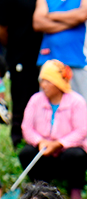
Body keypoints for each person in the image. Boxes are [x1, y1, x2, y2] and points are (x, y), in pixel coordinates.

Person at [20, 60, 87, 199]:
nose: (43, 85)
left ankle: (75, 190)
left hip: (66, 152)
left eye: (48, 81)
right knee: (26, 153)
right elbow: (26, 128)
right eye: (42, 81)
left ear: (58, 83)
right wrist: (40, 142)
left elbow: (81, 131)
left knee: (76, 155)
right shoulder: (35, 100)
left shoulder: (77, 102)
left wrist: (59, 143)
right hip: (43, 150)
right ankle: (41, 189)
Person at [33, 0, 87, 140]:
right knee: (48, 106)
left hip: (78, 59)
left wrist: (51, 16)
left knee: (84, 105)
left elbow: (82, 15)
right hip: (49, 61)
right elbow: (38, 22)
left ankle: (86, 144)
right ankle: (50, 141)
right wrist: (69, 21)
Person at [1, 0, 44, 147]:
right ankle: (20, 142)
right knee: (22, 103)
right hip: (20, 55)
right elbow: (2, 28)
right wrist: (16, 46)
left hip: (46, 55)